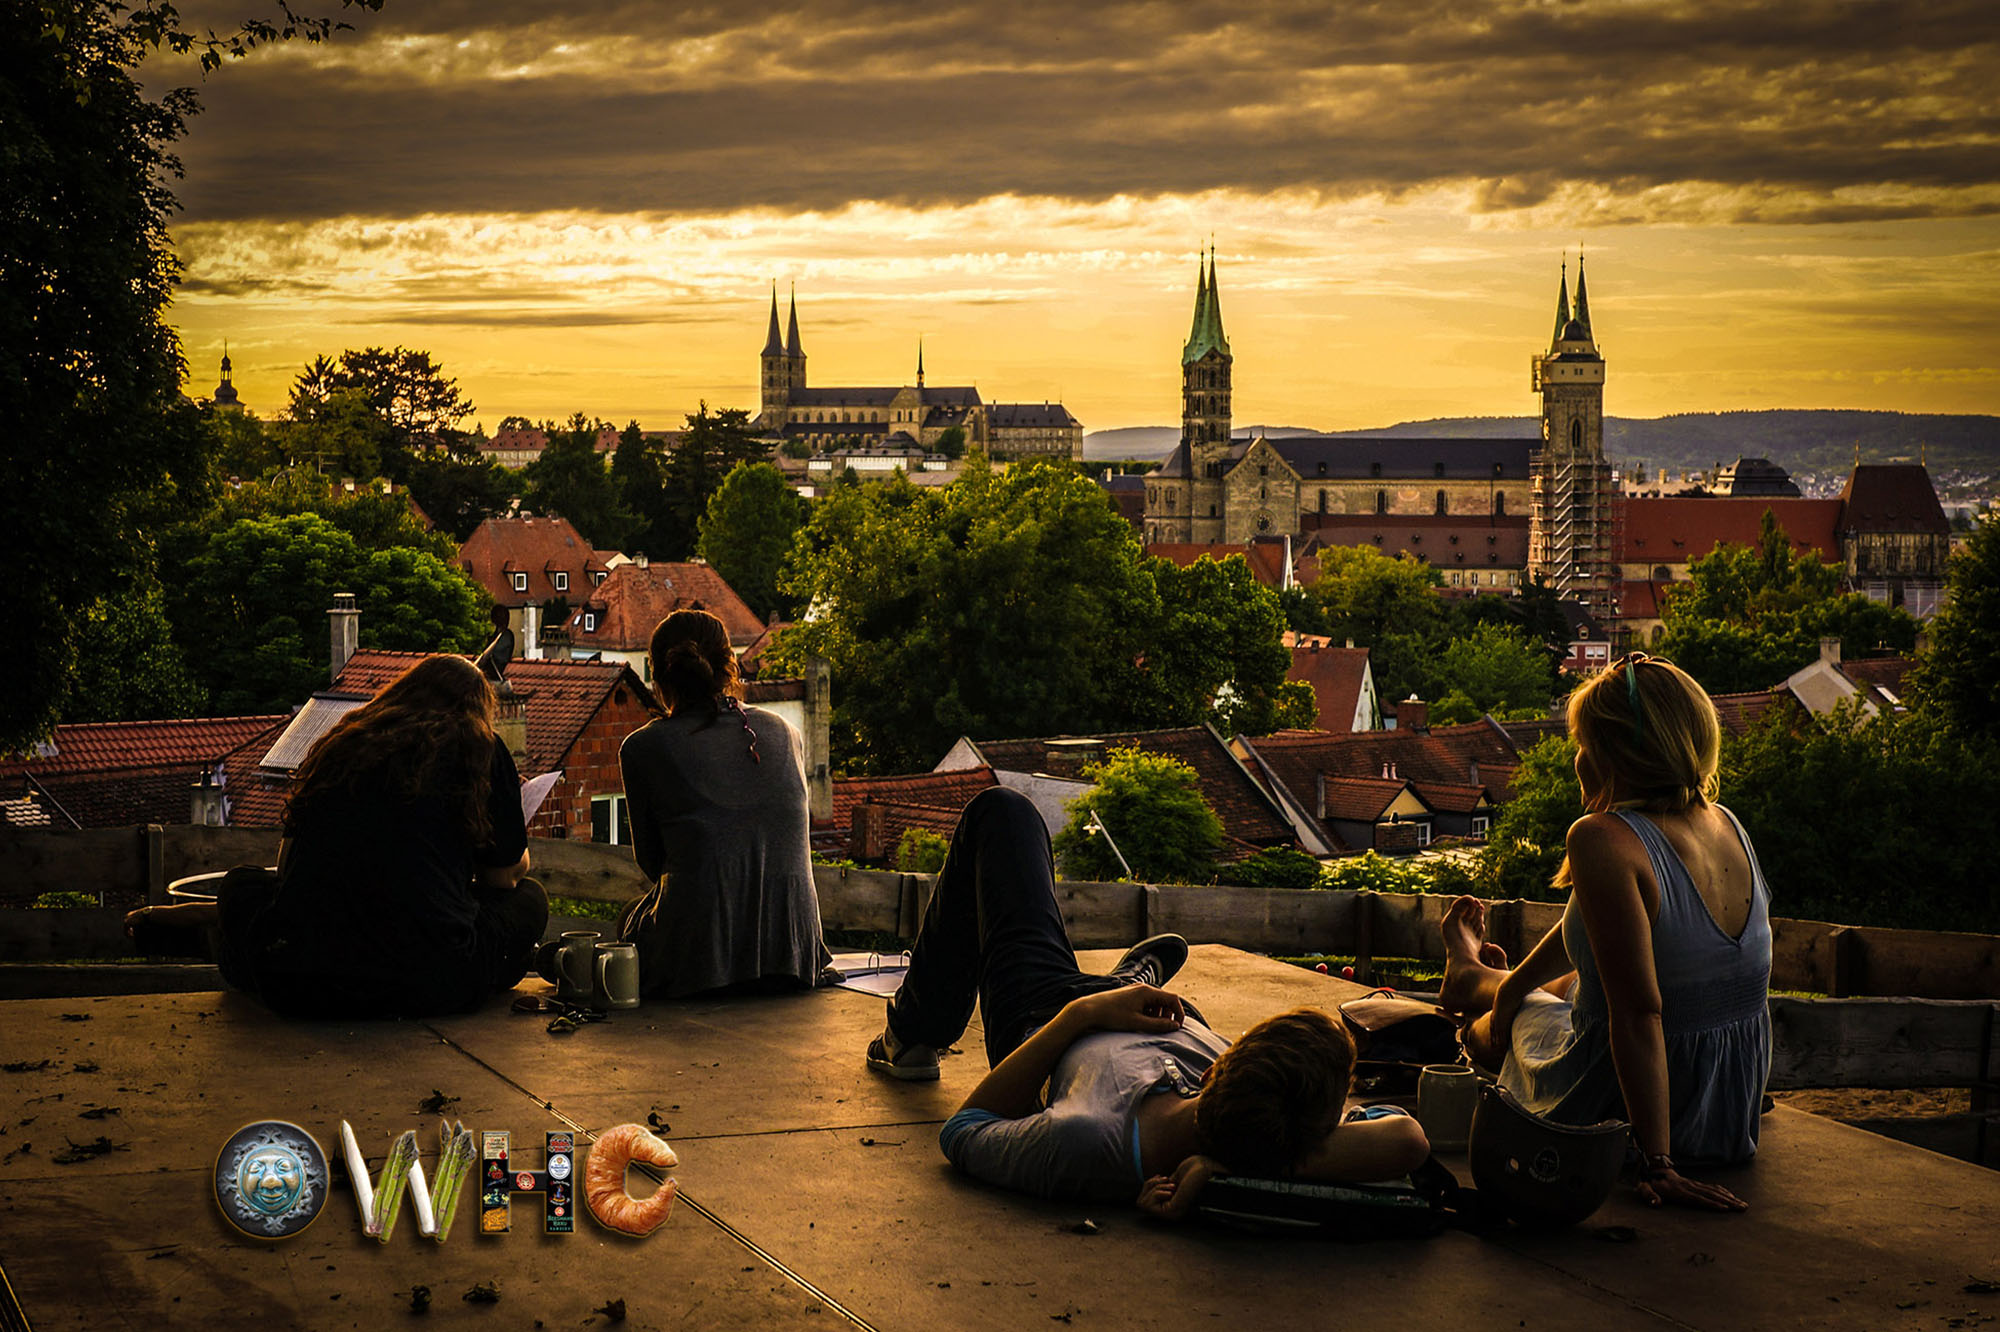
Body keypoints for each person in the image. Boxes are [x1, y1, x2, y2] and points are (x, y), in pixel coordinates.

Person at [867, 785, 1430, 1216]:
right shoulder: (1267, 1121)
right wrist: (1230, 1162)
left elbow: (963, 1131)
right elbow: (1407, 1137)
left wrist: (1083, 1014)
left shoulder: (1089, 1138)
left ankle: (912, 1033)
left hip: (1051, 1015)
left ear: (1216, 1077)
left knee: (1002, 812)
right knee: (1161, 1003)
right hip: (1157, 1018)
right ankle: (1132, 978)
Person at [1438, 652, 1769, 1213]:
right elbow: (1600, 929)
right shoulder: (1726, 823)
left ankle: (1474, 993)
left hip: (1629, 1108)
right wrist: (1519, 982)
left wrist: (1657, 1163)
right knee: (1570, 984)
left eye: (1583, 743)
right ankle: (1487, 978)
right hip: (1726, 1109)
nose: (1577, 757)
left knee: (1514, 1018)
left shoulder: (1600, 837)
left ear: (1615, 752)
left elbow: (1639, 1013)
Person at [125, 654, 548, 1017]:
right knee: (530, 900)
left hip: (304, 986)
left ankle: (212, 929)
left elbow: (287, 869)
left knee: (242, 885)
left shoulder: (344, 744)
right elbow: (503, 879)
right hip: (435, 984)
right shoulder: (480, 747)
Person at [615, 609, 833, 996]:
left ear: (659, 675)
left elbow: (653, 864)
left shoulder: (643, 747)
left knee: (628, 923)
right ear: (730, 665)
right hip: (793, 959)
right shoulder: (786, 732)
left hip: (698, 965)